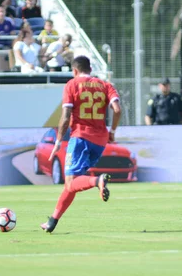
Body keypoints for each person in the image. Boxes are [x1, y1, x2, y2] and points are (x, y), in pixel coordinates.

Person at [40, 56, 122, 233]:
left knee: (72, 182)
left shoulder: (71, 84)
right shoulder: (105, 85)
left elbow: (66, 115)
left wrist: (58, 141)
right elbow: (117, 109)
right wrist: (112, 132)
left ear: (75, 71)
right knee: (73, 183)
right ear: (90, 69)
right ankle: (52, 221)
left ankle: (97, 180)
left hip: (80, 137)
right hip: (100, 141)